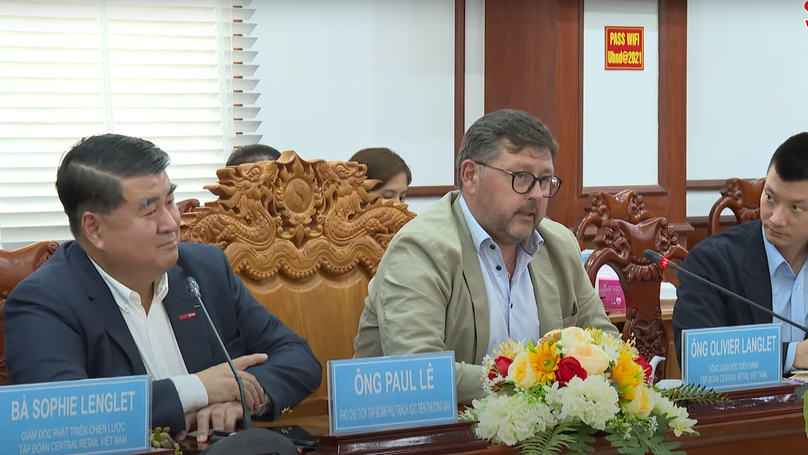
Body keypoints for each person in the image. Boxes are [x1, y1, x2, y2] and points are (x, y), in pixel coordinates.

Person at [4, 134, 321, 441]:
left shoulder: (205, 270)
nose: (171, 222)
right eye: (150, 210)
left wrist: (241, 398)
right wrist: (198, 388)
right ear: (94, 228)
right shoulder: (43, 301)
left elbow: (297, 358)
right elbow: (62, 414)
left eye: (170, 202)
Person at [353, 109, 618, 403]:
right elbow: (419, 372)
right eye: (521, 177)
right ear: (470, 176)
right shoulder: (420, 249)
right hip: (437, 435)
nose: (537, 195)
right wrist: (533, 384)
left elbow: (608, 347)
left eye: (545, 181)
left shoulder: (559, 244)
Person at [673, 132, 808, 373]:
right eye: (770, 198)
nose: (775, 218)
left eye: (795, 208)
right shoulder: (710, 264)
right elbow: (699, 361)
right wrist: (792, 354)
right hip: (743, 409)